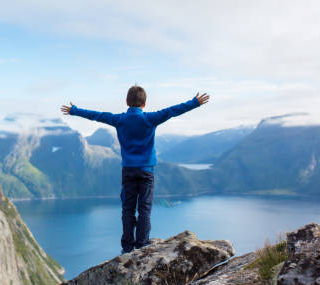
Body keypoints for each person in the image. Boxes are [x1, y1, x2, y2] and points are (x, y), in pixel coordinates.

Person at [61, 86, 209, 254]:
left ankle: (127, 246)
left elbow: (97, 115)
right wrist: (195, 103)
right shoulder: (150, 119)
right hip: (147, 171)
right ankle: (142, 243)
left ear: (126, 102)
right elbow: (172, 111)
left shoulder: (119, 120)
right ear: (144, 104)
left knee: (128, 208)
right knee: (144, 208)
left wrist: (74, 110)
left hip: (128, 171)